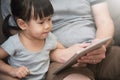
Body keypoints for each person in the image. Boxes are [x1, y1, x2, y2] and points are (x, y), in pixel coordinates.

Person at [0, 0, 93, 80]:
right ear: (22, 24)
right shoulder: (15, 43)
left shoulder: (50, 38)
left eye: (49, 19)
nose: (48, 26)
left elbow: (64, 52)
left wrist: (74, 62)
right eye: (41, 22)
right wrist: (12, 71)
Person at [47, 0, 120, 80]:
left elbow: (104, 20)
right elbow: (32, 34)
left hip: (100, 50)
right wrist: (57, 54)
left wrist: (99, 45)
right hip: (63, 61)